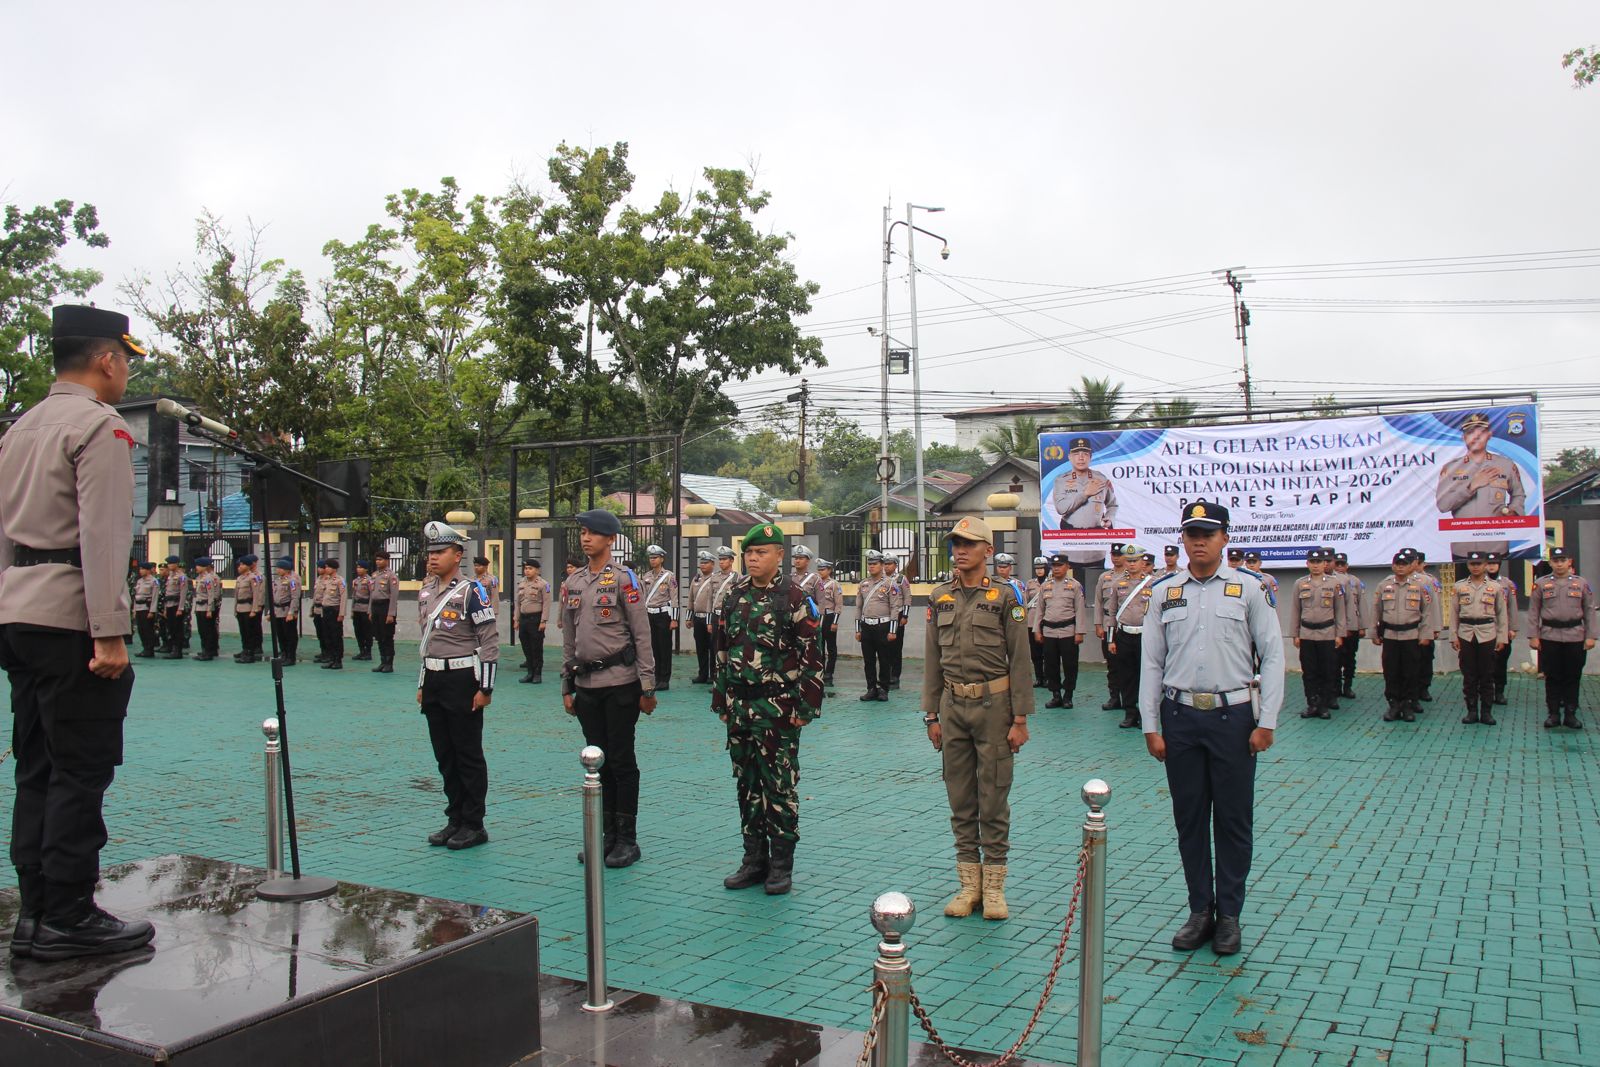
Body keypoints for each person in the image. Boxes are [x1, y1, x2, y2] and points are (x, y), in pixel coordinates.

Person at [0, 303, 155, 960]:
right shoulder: (100, 427)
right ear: (107, 360)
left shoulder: (19, 428)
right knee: (81, 767)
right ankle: (68, 914)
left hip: (18, 613)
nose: (125, 374)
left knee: (36, 766)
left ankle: (35, 912)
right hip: (71, 620)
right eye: (125, 361)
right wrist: (109, 631)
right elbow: (103, 536)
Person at [1139, 501, 1285, 957]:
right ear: (1182, 539)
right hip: (1180, 718)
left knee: (1233, 820)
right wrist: (1150, 724)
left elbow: (1273, 656)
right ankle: (1200, 910)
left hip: (1234, 719)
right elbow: (1152, 662)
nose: (1198, 541)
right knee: (1190, 819)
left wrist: (1267, 721)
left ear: (1225, 538)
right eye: (1191, 534)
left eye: (1208, 533)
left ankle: (1230, 916)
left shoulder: (1250, 589)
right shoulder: (1164, 592)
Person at [922, 516, 1033, 921]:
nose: (961, 551)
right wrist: (931, 714)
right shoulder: (940, 597)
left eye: (969, 544)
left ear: (988, 550)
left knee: (994, 797)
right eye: (956, 544)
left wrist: (1020, 719)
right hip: (953, 707)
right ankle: (969, 885)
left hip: (994, 707)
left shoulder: (1005, 596)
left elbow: (1020, 659)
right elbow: (933, 659)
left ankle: (995, 887)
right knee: (960, 798)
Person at [714, 523, 824, 895]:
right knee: (746, 785)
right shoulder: (734, 595)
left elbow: (812, 656)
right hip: (741, 706)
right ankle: (753, 860)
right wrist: (721, 699)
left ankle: (781, 865)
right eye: (749, 552)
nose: (753, 558)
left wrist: (805, 707)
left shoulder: (794, 597)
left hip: (778, 708)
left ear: (779, 555)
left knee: (779, 787)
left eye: (761, 552)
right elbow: (722, 650)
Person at [562, 509, 656, 868]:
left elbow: (641, 634)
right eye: (583, 532)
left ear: (611, 539)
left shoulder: (624, 579)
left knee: (621, 760)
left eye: (594, 533)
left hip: (620, 684)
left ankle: (627, 839)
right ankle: (606, 835)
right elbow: (569, 639)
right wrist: (566, 685)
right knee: (596, 763)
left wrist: (647, 686)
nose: (586, 538)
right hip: (586, 685)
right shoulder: (573, 582)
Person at [415, 522, 498, 851]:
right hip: (434, 679)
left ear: (457, 555)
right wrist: (423, 682)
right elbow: (427, 642)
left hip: (463, 680)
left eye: (441, 552)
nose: (433, 558)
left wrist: (486, 689)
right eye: (431, 552)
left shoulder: (471, 591)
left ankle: (474, 824)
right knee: (444, 754)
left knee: (467, 754)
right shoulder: (426, 591)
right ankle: (455, 817)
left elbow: (489, 641)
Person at [1435, 412, 1528, 559]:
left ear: (1489, 435)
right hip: (1463, 547)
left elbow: (1518, 494)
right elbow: (1443, 505)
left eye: (1481, 432)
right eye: (1471, 432)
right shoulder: (1451, 468)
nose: (1476, 436)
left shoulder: (1505, 465)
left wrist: (1514, 511)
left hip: (1496, 546)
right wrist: (1472, 486)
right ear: (1463, 437)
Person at [1527, 547, 1595, 729]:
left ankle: (1571, 714)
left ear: (1569, 562)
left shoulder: (1581, 583)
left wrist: (1591, 636)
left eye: (1562, 560)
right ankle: (1554, 714)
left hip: (1575, 635)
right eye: (1555, 560)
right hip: (1550, 635)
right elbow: (1533, 611)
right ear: (1550, 563)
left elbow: (1589, 610)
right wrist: (1533, 635)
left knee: (1573, 676)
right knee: (1552, 676)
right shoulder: (1541, 583)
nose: (1559, 564)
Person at [1369, 549, 1438, 723]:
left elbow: (1427, 612)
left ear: (1410, 567)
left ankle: (1408, 705)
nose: (1400, 568)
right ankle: (1393, 705)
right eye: (1397, 564)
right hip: (1390, 636)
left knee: (1411, 672)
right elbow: (1376, 610)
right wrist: (1374, 632)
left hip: (1411, 636)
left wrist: (1426, 634)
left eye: (1404, 565)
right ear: (1393, 566)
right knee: (1391, 672)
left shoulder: (1420, 586)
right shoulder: (1384, 585)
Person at [1452, 550, 1509, 726]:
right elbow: (1453, 613)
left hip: (1487, 633)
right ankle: (1471, 711)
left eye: (1479, 564)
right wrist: (1453, 636)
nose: (1475, 567)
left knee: (1487, 675)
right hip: (1466, 633)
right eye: (1472, 564)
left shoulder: (1496, 587)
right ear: (1468, 565)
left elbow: (1502, 614)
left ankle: (1486, 712)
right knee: (1469, 675)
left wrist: (1502, 637)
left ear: (1485, 565)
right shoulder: (1459, 586)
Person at [1289, 549, 1347, 719]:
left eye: (1319, 562)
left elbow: (1340, 611)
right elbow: (1295, 610)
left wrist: (1339, 634)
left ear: (1324, 564)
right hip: (1306, 634)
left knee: (1327, 670)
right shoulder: (1299, 584)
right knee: (1309, 671)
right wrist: (1295, 634)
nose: (1315, 565)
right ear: (1307, 564)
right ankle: (1312, 703)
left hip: (1327, 633)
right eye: (1312, 562)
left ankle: (1323, 705)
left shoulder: (1335, 584)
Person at [1029, 552, 1087, 711]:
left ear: (1067, 567)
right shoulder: (1045, 586)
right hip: (1049, 632)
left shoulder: (1075, 586)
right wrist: (1037, 630)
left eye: (1060, 565)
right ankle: (1056, 695)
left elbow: (1080, 610)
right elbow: (1039, 610)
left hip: (1068, 631)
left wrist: (1079, 632)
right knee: (1051, 665)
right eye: (1054, 566)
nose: (1056, 569)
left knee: (1070, 665)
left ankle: (1068, 695)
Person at [1050, 437, 1118, 566]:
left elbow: (1113, 504)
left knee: (1095, 577)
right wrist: (1085, 494)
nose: (1081, 458)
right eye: (1076, 454)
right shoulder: (1061, 480)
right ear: (1070, 457)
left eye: (1085, 454)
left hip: (1095, 547)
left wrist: (1109, 519)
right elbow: (1061, 508)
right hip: (1070, 547)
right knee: (1070, 579)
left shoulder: (1101, 479)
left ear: (1090, 457)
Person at [1107, 545, 1157, 719]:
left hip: (1146, 635)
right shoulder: (1117, 583)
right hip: (1124, 635)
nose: (1132, 564)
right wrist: (1111, 640)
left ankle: (1145, 715)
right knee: (1126, 675)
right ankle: (1130, 713)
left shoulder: (1153, 583)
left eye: (1135, 560)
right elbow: (1112, 613)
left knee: (1146, 676)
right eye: (1129, 561)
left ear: (1143, 561)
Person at [855, 550, 896, 702]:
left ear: (882, 565)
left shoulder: (890, 584)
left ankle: (884, 688)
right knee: (868, 660)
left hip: (883, 626)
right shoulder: (863, 584)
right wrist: (858, 629)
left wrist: (893, 630)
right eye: (870, 563)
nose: (871, 566)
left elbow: (895, 607)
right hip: (866, 626)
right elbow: (858, 607)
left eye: (875, 564)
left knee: (884, 659)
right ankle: (871, 688)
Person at [1093, 544, 1127, 710]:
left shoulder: (1131, 577)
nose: (1116, 558)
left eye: (1119, 554)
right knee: (1112, 665)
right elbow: (1098, 602)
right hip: (1108, 625)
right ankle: (1114, 697)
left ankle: (1128, 698)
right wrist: (1098, 624)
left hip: (1126, 626)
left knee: (1127, 664)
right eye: (1114, 554)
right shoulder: (1104, 577)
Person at [641, 544, 678, 691]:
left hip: (663, 615)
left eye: (655, 557)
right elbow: (643, 597)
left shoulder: (669, 576)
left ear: (662, 559)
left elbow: (674, 598)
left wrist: (674, 619)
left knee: (665, 648)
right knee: (653, 648)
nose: (653, 560)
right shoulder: (646, 576)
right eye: (651, 558)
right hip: (649, 614)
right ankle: (656, 677)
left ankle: (664, 679)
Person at [1331, 552, 1364, 698]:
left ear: (1347, 566)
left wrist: (1361, 626)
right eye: (1337, 564)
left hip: (1352, 627)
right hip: (1335, 627)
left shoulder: (1355, 581)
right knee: (1335, 659)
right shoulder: (1331, 581)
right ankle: (1336, 687)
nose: (1339, 567)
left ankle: (1348, 686)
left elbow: (1361, 605)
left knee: (1350, 658)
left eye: (1342, 564)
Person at [1487, 553, 1517, 705]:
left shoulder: (1507, 584)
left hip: (1502, 628)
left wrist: (1513, 628)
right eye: (1489, 563)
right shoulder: (1479, 582)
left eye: (1494, 563)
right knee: (1485, 663)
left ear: (1499, 565)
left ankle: (1499, 691)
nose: (1491, 566)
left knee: (1501, 662)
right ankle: (1486, 691)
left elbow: (1512, 607)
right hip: (1485, 628)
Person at [1414, 552, 1442, 701]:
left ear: (1423, 564)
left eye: (1418, 563)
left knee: (1426, 658)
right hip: (1409, 626)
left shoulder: (1431, 581)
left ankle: (1424, 687)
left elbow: (1436, 605)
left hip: (1426, 625)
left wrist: (1436, 627)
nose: (1415, 566)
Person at [516, 558, 549, 684]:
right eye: (526, 568)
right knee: (526, 646)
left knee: (536, 647)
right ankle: (529, 672)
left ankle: (537, 673)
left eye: (530, 568)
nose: (527, 571)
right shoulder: (521, 583)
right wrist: (516, 619)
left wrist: (543, 621)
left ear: (537, 570)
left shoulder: (543, 584)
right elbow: (518, 603)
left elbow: (546, 603)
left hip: (536, 619)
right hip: (523, 619)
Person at [687, 550, 717, 683]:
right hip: (698, 618)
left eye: (706, 563)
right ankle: (702, 674)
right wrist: (689, 617)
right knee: (700, 647)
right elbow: (690, 599)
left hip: (710, 618)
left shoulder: (715, 579)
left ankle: (713, 674)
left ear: (712, 564)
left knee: (713, 647)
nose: (703, 565)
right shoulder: (696, 579)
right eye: (701, 562)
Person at [369, 548, 400, 673]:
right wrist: (370, 611)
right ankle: (382, 662)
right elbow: (372, 594)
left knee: (387, 636)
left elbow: (394, 596)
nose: (378, 562)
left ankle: (389, 663)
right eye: (377, 559)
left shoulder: (391, 576)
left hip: (385, 607)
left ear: (387, 561)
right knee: (379, 636)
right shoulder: (374, 575)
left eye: (380, 559)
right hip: (375, 607)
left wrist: (391, 614)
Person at [883, 556, 911, 688]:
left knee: (896, 646)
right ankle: (885, 673)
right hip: (884, 615)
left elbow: (907, 597)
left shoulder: (901, 579)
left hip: (898, 614)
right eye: (885, 564)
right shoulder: (880, 579)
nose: (886, 566)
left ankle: (895, 675)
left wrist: (905, 615)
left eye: (889, 564)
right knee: (884, 646)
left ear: (895, 565)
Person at [814, 559, 843, 687]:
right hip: (817, 616)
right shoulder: (815, 583)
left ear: (829, 570)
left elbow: (838, 604)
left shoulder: (834, 584)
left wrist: (835, 622)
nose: (820, 572)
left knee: (831, 647)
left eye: (823, 569)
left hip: (829, 616)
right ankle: (821, 670)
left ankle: (829, 672)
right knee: (819, 646)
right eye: (819, 569)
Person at [232, 554, 265, 663]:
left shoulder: (254, 577)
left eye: (242, 565)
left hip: (249, 607)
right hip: (240, 608)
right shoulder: (239, 578)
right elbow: (236, 596)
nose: (239, 567)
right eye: (239, 565)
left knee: (251, 630)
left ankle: (252, 651)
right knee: (243, 632)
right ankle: (245, 650)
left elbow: (258, 593)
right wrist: (235, 609)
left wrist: (255, 608)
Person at [271, 558, 302, 666]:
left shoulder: (292, 581)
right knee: (280, 635)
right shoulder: (277, 581)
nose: (277, 570)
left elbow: (295, 597)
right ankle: (284, 654)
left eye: (280, 568)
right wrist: (271, 612)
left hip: (287, 610)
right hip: (278, 611)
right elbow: (274, 597)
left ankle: (290, 657)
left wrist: (291, 612)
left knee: (290, 635)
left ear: (286, 569)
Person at [317, 559, 346, 669]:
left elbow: (343, 597)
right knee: (327, 635)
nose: (326, 569)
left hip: (334, 611)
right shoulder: (326, 580)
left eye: (328, 567)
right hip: (326, 610)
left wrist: (341, 614)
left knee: (336, 636)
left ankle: (338, 660)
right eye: (326, 567)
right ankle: (331, 658)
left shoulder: (340, 580)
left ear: (334, 568)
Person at [159, 555, 190, 659]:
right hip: (169, 605)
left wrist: (180, 608)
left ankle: (177, 650)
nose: (169, 565)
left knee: (177, 629)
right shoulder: (170, 576)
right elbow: (167, 593)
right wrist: (165, 608)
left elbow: (183, 593)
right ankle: (173, 649)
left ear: (176, 564)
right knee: (171, 628)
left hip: (176, 605)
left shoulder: (182, 576)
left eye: (171, 563)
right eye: (168, 564)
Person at [192, 557, 222, 661]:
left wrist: (210, 609)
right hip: (199, 607)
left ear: (204, 567)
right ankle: (204, 650)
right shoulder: (199, 578)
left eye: (198, 566)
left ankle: (208, 652)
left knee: (207, 630)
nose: (196, 567)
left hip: (205, 607)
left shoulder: (208, 578)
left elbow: (211, 595)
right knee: (202, 631)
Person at [1025, 556, 1049, 688]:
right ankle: (1039, 677)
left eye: (1041, 568)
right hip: (1032, 621)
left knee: (1048, 652)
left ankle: (1048, 678)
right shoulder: (1030, 584)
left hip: (1047, 620)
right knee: (1035, 653)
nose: (1039, 570)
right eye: (1037, 568)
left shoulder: (1051, 582)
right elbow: (1025, 602)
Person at [132, 561, 160, 658]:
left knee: (148, 630)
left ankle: (149, 649)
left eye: (142, 569)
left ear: (148, 570)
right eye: (140, 569)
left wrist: (152, 611)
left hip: (147, 608)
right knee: (141, 630)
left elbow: (155, 597)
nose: (140, 571)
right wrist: (134, 610)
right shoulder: (139, 581)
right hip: (139, 608)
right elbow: (136, 596)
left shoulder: (154, 581)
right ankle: (145, 648)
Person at [349, 560, 374, 661]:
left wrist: (370, 610)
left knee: (367, 631)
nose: (358, 569)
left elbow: (372, 596)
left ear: (366, 569)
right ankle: (361, 651)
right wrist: (352, 609)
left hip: (365, 609)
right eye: (358, 567)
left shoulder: (369, 580)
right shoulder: (356, 581)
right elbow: (354, 596)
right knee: (358, 631)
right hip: (357, 609)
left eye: (361, 567)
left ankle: (368, 652)